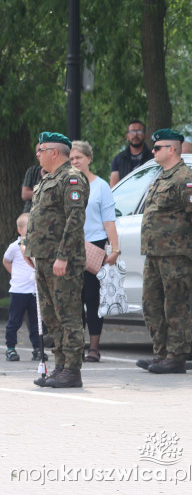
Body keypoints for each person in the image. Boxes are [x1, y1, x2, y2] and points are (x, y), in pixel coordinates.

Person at [137, 128, 192, 375]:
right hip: (154, 252)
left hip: (176, 253)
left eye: (157, 148)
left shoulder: (185, 178)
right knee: (151, 303)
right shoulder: (161, 177)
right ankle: (161, 353)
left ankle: (177, 355)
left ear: (172, 150)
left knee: (176, 305)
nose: (153, 151)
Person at [24, 132, 88, 388]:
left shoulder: (72, 178)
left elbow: (75, 220)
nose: (37, 154)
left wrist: (62, 256)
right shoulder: (45, 180)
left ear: (54, 152)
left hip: (63, 260)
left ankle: (72, 370)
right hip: (43, 258)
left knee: (68, 314)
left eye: (41, 150)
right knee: (51, 315)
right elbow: (36, 217)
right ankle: (60, 366)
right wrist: (29, 248)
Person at [69, 141, 119, 363]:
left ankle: (94, 347)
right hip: (71, 246)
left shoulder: (101, 186)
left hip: (94, 245)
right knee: (73, 299)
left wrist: (115, 248)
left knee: (92, 298)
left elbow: (109, 219)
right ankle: (75, 345)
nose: (75, 162)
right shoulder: (67, 184)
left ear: (89, 159)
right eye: (71, 159)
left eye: (79, 157)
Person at [4, 214, 43, 362]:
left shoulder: (37, 245)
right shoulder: (14, 247)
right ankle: (10, 348)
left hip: (34, 291)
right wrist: (14, 274)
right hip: (18, 291)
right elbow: (6, 261)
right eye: (29, 227)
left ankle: (38, 348)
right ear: (20, 230)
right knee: (14, 321)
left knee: (36, 322)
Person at [109, 120, 153, 187]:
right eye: (132, 131)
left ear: (145, 136)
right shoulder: (118, 159)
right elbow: (114, 188)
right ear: (127, 136)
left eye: (139, 131)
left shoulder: (153, 157)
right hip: (125, 196)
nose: (135, 134)